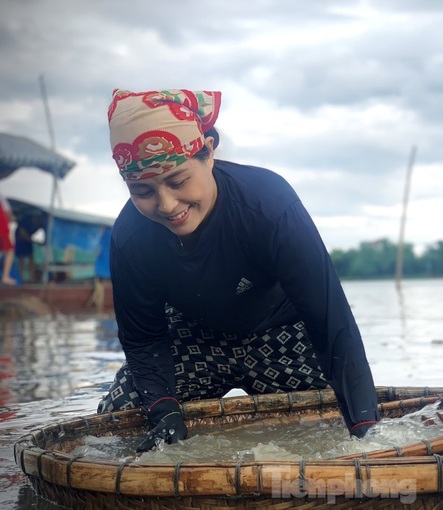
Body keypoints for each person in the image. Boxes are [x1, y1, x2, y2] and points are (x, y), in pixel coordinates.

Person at [97, 89, 380, 452]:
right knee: (113, 425)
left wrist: (366, 435)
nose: (167, 205)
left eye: (178, 181)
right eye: (142, 190)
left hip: (282, 334)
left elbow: (331, 325)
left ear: (209, 152)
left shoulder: (269, 204)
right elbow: (144, 340)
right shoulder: (130, 236)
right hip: (193, 340)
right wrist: (164, 412)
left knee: (338, 429)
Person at [14, 213, 43, 283]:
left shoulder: (37, 225)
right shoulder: (26, 221)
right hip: (20, 242)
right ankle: (21, 278)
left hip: (27, 243)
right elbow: (23, 233)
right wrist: (34, 241)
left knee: (31, 259)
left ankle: (33, 279)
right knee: (21, 259)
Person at [0, 195, 17, 285]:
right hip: (2, 229)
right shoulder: (1, 197)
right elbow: (9, 213)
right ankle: (5, 276)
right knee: (9, 251)